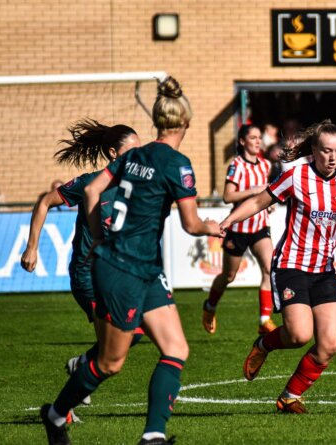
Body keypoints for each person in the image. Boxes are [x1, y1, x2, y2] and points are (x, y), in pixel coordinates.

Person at [39, 77, 220, 445]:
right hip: (122, 269)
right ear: (185, 123)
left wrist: (99, 237)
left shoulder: (132, 157)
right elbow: (190, 223)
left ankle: (152, 436)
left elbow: (92, 189)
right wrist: (210, 226)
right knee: (110, 363)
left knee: (176, 348)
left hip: (144, 269)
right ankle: (55, 416)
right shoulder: (178, 164)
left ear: (157, 122)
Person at [214, 121, 336, 414]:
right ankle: (264, 344)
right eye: (326, 151)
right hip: (291, 265)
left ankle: (289, 396)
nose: (332, 157)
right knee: (299, 335)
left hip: (324, 270)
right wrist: (229, 222)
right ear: (314, 150)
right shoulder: (296, 176)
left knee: (329, 345)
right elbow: (258, 200)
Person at [22, 119, 144, 418]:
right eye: (134, 150)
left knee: (134, 333)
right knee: (112, 345)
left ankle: (79, 369)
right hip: (87, 275)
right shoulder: (90, 183)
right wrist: (32, 247)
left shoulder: (135, 187)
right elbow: (44, 203)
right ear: (115, 154)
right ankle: (62, 409)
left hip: (116, 274)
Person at [202, 124, 277, 336]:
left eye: (259, 138)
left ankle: (264, 320)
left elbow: (265, 195)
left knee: (269, 269)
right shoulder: (237, 165)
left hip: (260, 226)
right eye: (252, 138)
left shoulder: (265, 165)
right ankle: (209, 307)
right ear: (242, 141)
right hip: (238, 228)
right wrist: (253, 191)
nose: (257, 141)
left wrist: (268, 203)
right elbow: (228, 196)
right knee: (229, 276)